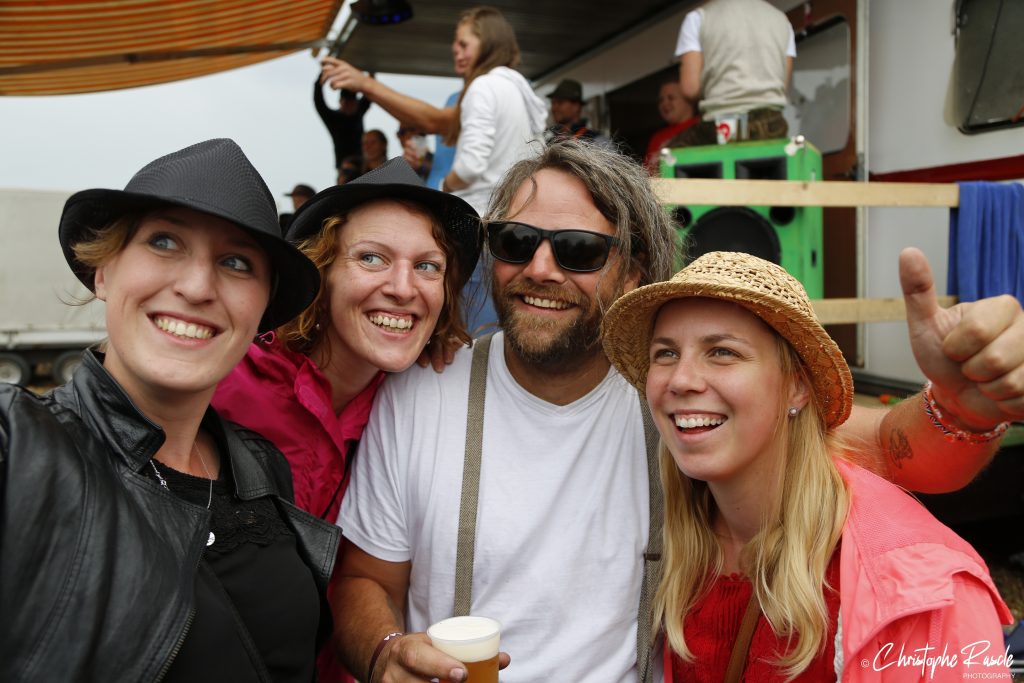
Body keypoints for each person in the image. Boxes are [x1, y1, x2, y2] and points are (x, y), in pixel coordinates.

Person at [332, 140, 1024, 683]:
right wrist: (385, 652)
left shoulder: (674, 398)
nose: (539, 268)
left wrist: (961, 408)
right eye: (515, 241)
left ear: (632, 271)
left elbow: (904, 451)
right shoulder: (423, 392)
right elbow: (363, 579)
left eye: (578, 250)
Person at [0, 138, 337, 682]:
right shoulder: (20, 447)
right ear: (102, 271)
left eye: (236, 262)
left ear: (262, 310)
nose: (197, 287)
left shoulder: (261, 464)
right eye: (164, 242)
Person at [603, 251, 1014, 682]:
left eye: (722, 352)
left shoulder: (922, 588)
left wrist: (968, 404)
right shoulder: (682, 535)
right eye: (666, 353)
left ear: (797, 386)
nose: (681, 379)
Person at [212, 157, 481, 683]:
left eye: (428, 267)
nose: (403, 287)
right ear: (321, 271)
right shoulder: (227, 380)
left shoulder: (413, 401)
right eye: (372, 258)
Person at [669, 0, 795, 147]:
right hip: (771, 123)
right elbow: (782, 87)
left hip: (723, 124)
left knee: (669, 153)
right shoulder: (782, 21)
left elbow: (690, 88)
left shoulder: (698, 18)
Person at [314, 79, 371, 171]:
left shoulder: (358, 112)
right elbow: (319, 102)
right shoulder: (333, 118)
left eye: (351, 103)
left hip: (362, 166)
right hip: (344, 167)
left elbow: (369, 93)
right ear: (340, 102)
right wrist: (320, 81)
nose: (349, 106)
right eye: (346, 103)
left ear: (355, 103)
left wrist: (371, 74)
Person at [645, 79, 699, 173]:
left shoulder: (701, 128)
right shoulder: (657, 137)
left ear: (689, 100)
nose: (664, 103)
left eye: (671, 98)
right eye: (661, 100)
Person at [544, 78, 611, 147]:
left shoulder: (596, 141)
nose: (554, 108)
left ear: (576, 106)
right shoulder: (548, 140)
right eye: (553, 103)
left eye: (560, 102)